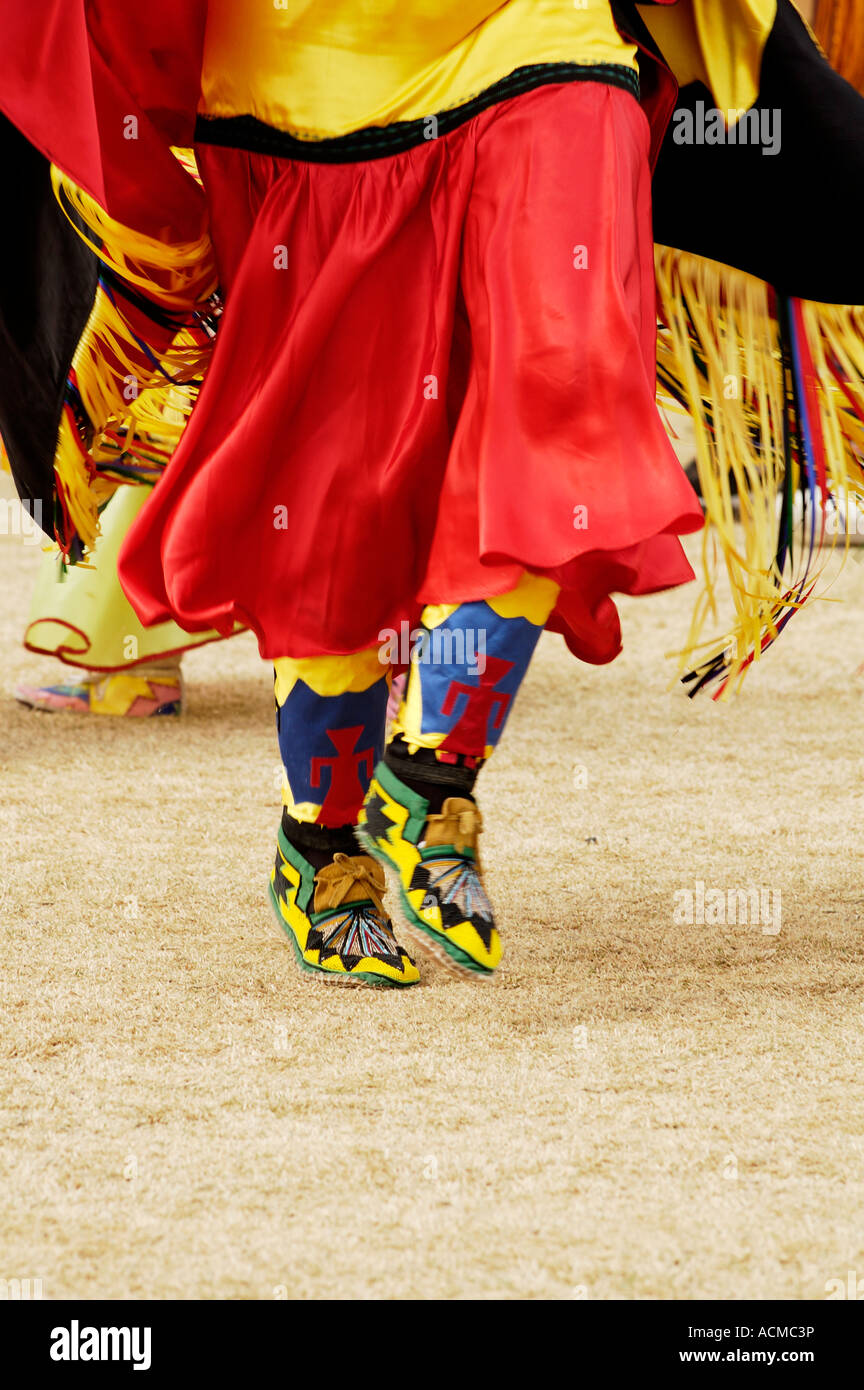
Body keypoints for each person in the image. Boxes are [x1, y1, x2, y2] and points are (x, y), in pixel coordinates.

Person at [2, 2, 863, 986]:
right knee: (334, 514)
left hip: (542, 35)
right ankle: (321, 844)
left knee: (574, 378)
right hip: (308, 85)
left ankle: (431, 773)